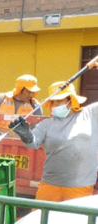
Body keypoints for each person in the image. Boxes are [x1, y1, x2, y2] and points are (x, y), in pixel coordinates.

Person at [10, 57, 98, 202]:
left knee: (72, 223)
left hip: (80, 187)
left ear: (71, 100)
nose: (56, 105)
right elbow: (32, 143)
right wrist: (25, 134)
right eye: (54, 102)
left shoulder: (91, 114)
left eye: (60, 101)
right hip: (50, 185)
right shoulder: (47, 124)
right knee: (40, 221)